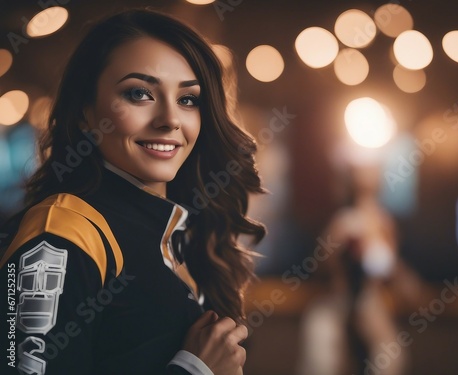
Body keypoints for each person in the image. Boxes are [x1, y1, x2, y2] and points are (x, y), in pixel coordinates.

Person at [0, 9, 265, 375]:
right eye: (139, 93)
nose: (170, 118)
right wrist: (193, 369)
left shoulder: (185, 232)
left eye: (188, 99)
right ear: (85, 113)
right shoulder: (60, 233)